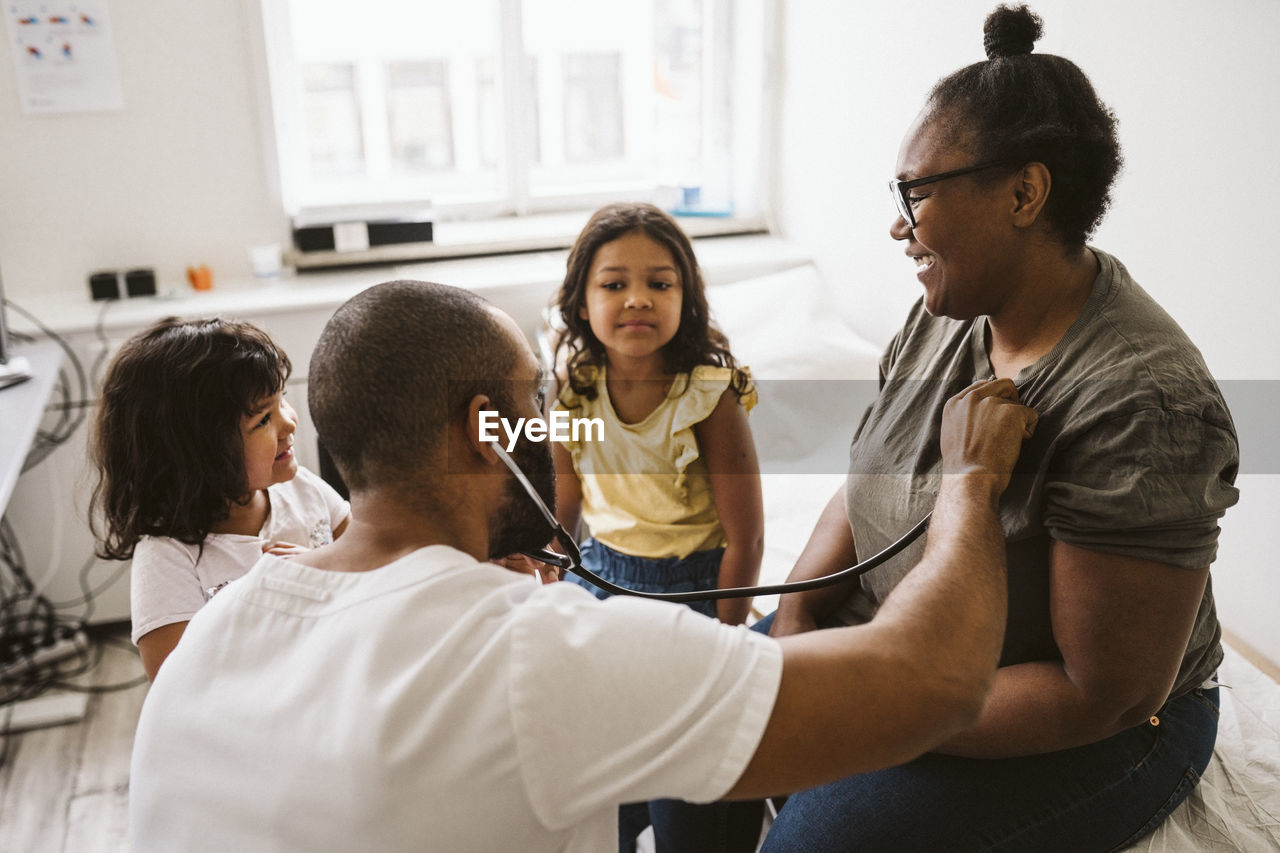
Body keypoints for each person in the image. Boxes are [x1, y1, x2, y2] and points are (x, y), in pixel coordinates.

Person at [129, 279, 1038, 852]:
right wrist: (969, 480)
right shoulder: (537, 651)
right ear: (485, 429)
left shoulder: (214, 634)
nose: (554, 428)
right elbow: (937, 681)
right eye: (536, 407)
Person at [754, 5, 1240, 851]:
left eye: (916, 194)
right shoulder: (947, 312)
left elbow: (1104, 694)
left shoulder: (1142, 400)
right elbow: (870, 476)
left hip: (1077, 726)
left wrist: (872, 702)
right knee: (693, 745)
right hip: (899, 653)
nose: (898, 226)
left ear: (1024, 193)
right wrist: (792, 625)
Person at [550, 203, 764, 847]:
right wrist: (546, 586)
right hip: (599, 581)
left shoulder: (706, 395)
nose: (637, 299)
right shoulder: (573, 392)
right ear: (582, 303)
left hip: (695, 594)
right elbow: (561, 517)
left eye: (659, 283)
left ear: (686, 299)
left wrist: (725, 636)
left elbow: (747, 536)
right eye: (614, 284)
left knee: (686, 792)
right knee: (597, 784)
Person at [90, 317, 350, 681]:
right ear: (195, 452)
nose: (289, 423)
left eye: (282, 401)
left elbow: (374, 559)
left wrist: (326, 568)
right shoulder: (168, 558)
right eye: (262, 419)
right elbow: (175, 685)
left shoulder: (304, 488)